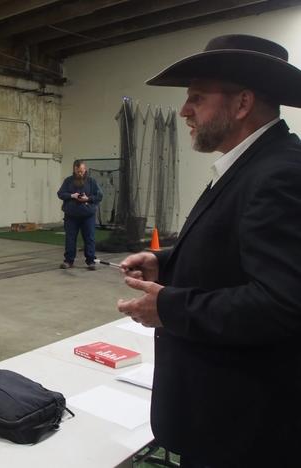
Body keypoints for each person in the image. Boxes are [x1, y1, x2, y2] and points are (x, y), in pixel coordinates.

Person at [117, 35, 301, 467]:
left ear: (241, 104)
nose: (185, 112)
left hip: (245, 431)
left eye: (197, 98)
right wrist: (165, 260)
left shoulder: (280, 174)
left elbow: (282, 303)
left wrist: (170, 308)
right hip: (227, 416)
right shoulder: (253, 165)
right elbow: (236, 244)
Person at [56, 160, 102, 270]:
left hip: (88, 215)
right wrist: (72, 195)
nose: (80, 174)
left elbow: (99, 196)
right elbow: (60, 194)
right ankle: (68, 261)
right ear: (74, 170)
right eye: (77, 172)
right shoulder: (68, 181)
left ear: (85, 169)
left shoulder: (91, 181)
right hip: (71, 215)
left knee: (89, 238)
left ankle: (91, 261)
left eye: (81, 171)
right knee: (70, 238)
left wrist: (88, 198)